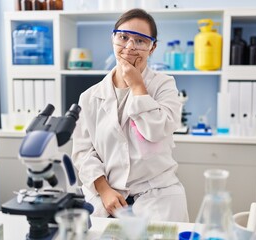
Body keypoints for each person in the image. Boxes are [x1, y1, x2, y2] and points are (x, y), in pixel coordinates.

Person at [71, 8, 189, 222]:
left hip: (158, 197)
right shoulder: (89, 97)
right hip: (109, 199)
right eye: (123, 37)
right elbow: (83, 153)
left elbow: (156, 130)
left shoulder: (164, 85)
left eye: (141, 41)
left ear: (152, 47)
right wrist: (104, 190)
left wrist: (137, 85)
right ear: (113, 38)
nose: (130, 46)